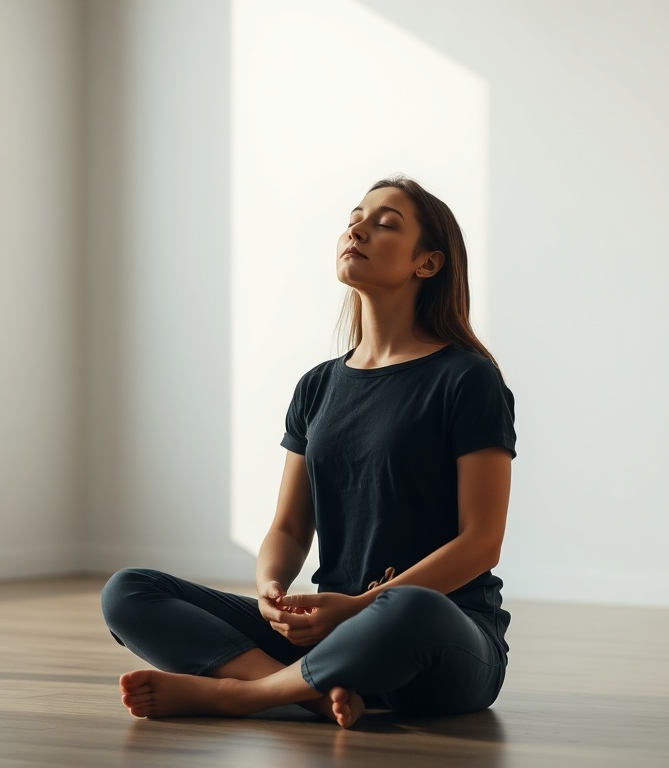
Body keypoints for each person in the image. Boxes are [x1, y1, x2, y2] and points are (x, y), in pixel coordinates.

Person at [101, 175, 516, 728]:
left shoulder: (468, 379)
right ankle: (308, 692)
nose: (357, 230)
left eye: (385, 224)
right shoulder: (318, 386)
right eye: (355, 219)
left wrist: (361, 607)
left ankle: (241, 695)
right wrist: (270, 591)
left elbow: (482, 542)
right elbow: (290, 528)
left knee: (410, 607)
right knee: (129, 590)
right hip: (331, 635)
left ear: (428, 263)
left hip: (437, 639)